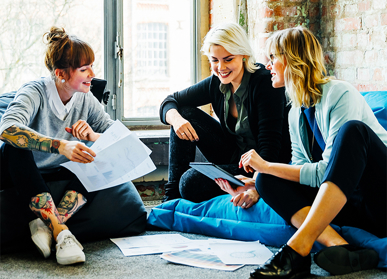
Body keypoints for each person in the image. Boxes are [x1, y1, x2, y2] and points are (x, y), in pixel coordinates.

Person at [239, 26, 387, 278]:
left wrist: (266, 164)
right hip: (347, 206)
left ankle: (298, 249)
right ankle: (341, 247)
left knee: (353, 131)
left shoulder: (340, 93)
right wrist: (259, 178)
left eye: (273, 57)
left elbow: (324, 172)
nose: (268, 65)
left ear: (294, 59)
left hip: (379, 198)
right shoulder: (295, 111)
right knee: (267, 179)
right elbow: (301, 168)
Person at [0, 27, 140, 265]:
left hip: (62, 171)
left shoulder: (85, 97)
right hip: (24, 170)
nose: (92, 74)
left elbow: (117, 137)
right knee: (13, 148)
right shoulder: (34, 92)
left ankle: (49, 225)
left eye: (92, 66)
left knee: (100, 154)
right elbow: (7, 129)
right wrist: (61, 145)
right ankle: (62, 234)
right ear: (61, 74)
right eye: (84, 69)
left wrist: (93, 135)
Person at [159, 22, 291, 207]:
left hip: (262, 164)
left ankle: (181, 193)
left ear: (244, 55)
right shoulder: (216, 82)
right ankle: (171, 200)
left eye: (228, 59)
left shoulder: (264, 83)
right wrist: (176, 119)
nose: (220, 67)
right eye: (214, 60)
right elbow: (170, 101)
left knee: (190, 182)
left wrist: (258, 185)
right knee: (184, 113)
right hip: (233, 156)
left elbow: (271, 148)